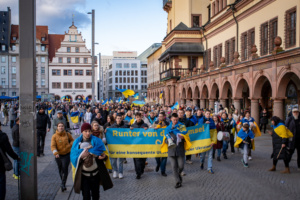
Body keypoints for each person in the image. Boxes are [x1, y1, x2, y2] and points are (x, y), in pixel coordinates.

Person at [71, 123, 113, 200]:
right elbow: (73, 156)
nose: (88, 133)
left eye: (89, 131)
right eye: (86, 131)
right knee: (86, 196)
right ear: (82, 132)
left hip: (95, 174)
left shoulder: (97, 141)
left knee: (96, 195)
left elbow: (104, 153)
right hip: (84, 176)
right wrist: (81, 157)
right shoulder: (77, 143)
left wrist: (103, 157)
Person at [164, 113, 189, 188]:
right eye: (174, 120)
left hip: (180, 149)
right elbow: (164, 140)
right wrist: (168, 140)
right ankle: (177, 181)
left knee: (181, 166)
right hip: (171, 150)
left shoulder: (182, 126)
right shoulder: (168, 128)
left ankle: (178, 174)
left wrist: (183, 138)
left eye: (176, 120)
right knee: (174, 167)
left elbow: (187, 137)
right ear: (171, 119)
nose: (175, 121)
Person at [51, 122, 74, 192]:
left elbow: (72, 140)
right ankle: (63, 182)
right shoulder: (54, 136)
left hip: (66, 154)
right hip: (58, 155)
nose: (61, 127)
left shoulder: (67, 134)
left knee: (65, 169)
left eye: (62, 126)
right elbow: (53, 146)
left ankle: (63, 183)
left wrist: (69, 145)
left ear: (64, 127)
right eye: (59, 126)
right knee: (60, 169)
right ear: (57, 127)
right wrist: (55, 153)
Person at [0, 123, 19, 200]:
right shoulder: (2, 136)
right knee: (1, 184)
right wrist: (16, 157)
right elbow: (9, 150)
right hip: (0, 163)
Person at [109, 113, 129, 179]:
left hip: (121, 146)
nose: (119, 120)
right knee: (113, 160)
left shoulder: (124, 126)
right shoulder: (112, 127)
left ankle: (120, 172)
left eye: (120, 118)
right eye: (118, 118)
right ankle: (115, 171)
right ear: (115, 119)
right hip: (114, 146)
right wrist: (106, 130)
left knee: (120, 160)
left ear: (122, 119)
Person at [130, 113, 148, 179]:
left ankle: (142, 169)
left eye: (139, 117)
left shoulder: (145, 125)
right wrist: (130, 130)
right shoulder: (133, 126)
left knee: (143, 160)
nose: (139, 118)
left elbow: (149, 133)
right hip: (135, 145)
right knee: (136, 160)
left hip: (143, 145)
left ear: (141, 117)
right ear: (135, 118)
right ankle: (138, 173)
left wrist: (147, 129)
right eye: (137, 117)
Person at [152, 112, 169, 177]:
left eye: (161, 116)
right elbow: (151, 130)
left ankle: (163, 171)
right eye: (159, 116)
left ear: (164, 116)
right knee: (157, 157)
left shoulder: (167, 123)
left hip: (164, 142)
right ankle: (158, 164)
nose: (160, 117)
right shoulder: (155, 122)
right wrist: (154, 128)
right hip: (157, 142)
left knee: (164, 157)